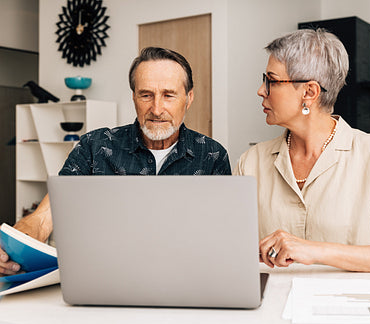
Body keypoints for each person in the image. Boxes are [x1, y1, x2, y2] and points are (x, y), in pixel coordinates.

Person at [1, 47, 231, 276]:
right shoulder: (94, 146)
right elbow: (45, 217)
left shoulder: (212, 155)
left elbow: (222, 236)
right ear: (134, 97)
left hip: (186, 278)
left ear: (188, 98)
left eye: (169, 95)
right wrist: (13, 247)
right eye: (146, 95)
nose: (157, 109)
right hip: (103, 277)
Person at [234, 29, 370, 276]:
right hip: (271, 307)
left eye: (271, 81)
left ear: (310, 92)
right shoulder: (250, 163)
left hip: (353, 308)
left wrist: (315, 251)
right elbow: (233, 251)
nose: (261, 91)